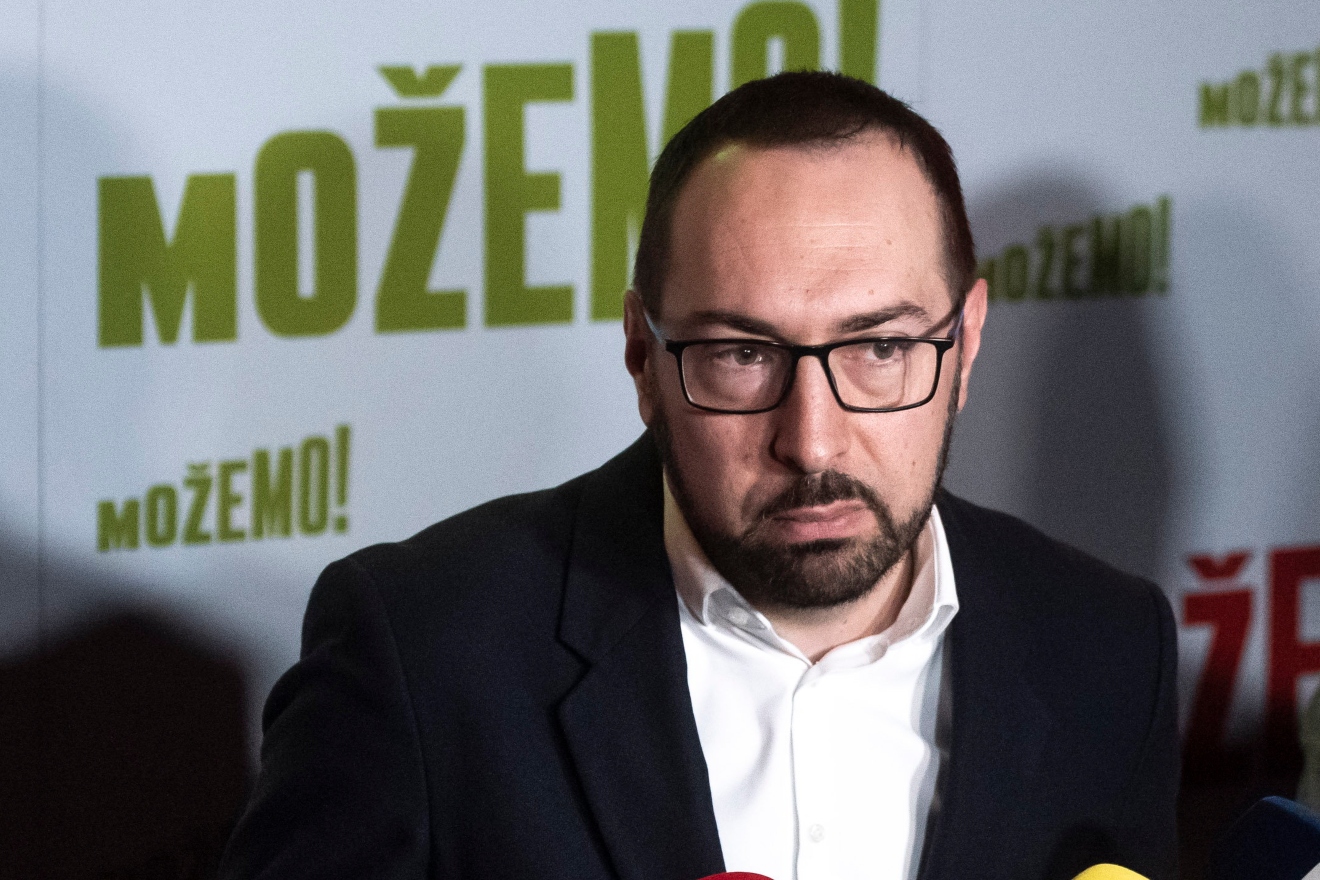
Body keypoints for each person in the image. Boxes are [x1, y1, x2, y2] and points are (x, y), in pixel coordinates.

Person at [220, 72, 1178, 880]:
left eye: (881, 348)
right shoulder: (424, 653)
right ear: (644, 358)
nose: (813, 442)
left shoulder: (1105, 650)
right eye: (741, 355)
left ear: (964, 344)